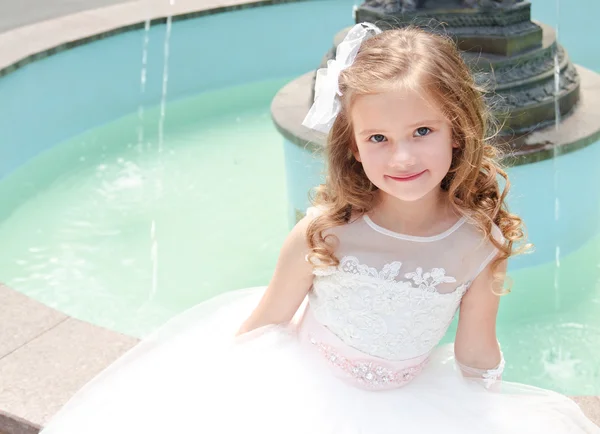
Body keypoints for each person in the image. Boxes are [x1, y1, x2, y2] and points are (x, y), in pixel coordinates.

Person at [40, 23, 599, 433]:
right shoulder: (327, 231)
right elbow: (265, 325)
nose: (401, 155)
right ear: (353, 148)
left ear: (457, 131)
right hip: (302, 398)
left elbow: (477, 349)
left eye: (422, 130)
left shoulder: (481, 242)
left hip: (409, 405)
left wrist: (485, 413)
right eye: (377, 138)